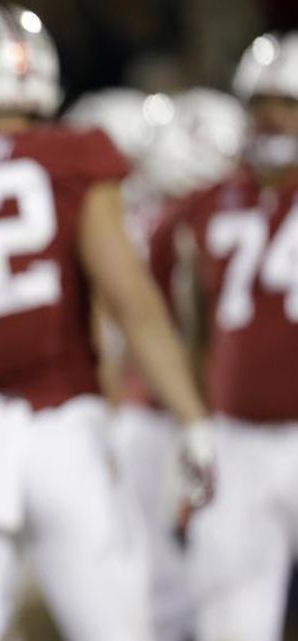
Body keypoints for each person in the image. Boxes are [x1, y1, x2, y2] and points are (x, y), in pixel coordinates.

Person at [0, 4, 215, 641]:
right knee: (114, 626)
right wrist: (193, 420)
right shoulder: (69, 155)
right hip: (61, 428)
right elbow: (131, 300)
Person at [66, 86, 246, 641]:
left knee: (167, 576)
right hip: (179, 411)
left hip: (157, 410)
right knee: (193, 580)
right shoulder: (173, 219)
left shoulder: (159, 217)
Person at [147, 31, 298, 641]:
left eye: (286, 103)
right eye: (258, 102)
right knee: (230, 618)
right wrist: (197, 416)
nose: (268, 118)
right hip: (233, 436)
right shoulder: (208, 201)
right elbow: (186, 319)